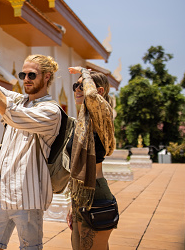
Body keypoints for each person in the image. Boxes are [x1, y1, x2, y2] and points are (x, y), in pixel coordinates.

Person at [0, 50, 61, 250]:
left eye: (31, 75)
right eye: (23, 75)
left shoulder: (51, 111)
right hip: (1, 193)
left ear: (47, 77)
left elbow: (12, 116)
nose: (26, 79)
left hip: (28, 197)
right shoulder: (20, 100)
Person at [66, 67, 117, 250]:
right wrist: (72, 204)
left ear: (99, 91)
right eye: (75, 86)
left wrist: (84, 72)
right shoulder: (82, 122)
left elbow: (93, 99)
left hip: (95, 193)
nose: (77, 90)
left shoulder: (101, 117)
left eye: (83, 86)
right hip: (80, 193)